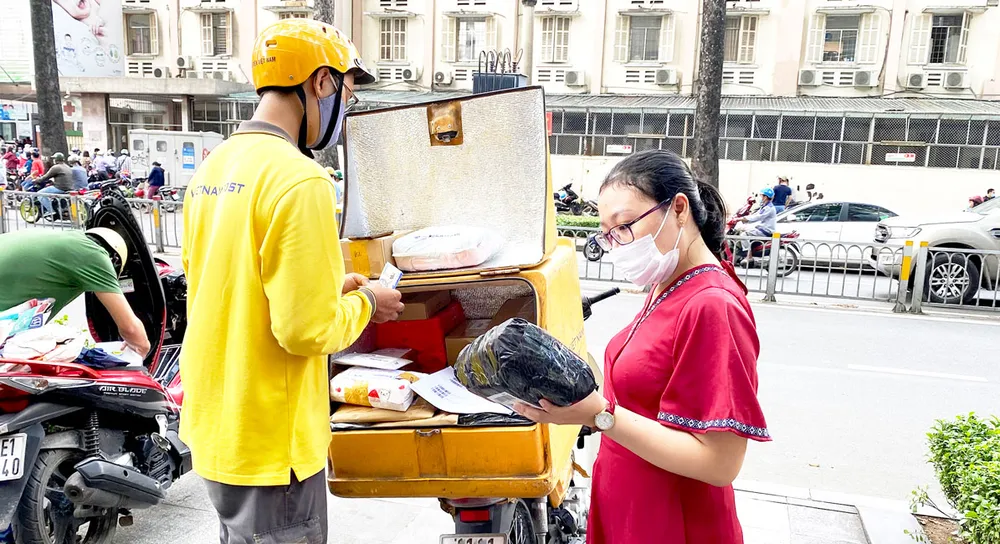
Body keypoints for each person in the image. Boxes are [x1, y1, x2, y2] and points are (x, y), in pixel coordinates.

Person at [179, 19, 403, 544]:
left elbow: (230, 285)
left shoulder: (213, 170)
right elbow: (306, 332)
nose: (345, 107)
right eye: (347, 91)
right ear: (321, 82)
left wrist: (329, 286)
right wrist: (368, 299)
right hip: (270, 440)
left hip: (219, 423)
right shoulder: (300, 179)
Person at [514, 149, 768, 544]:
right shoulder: (668, 283)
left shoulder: (712, 304)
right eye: (607, 232)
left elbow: (720, 463)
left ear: (678, 208)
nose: (616, 243)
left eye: (624, 225)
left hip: (673, 520)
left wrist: (600, 416)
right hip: (631, 503)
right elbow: (641, 389)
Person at [0, 228, 151, 357]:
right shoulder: (93, 255)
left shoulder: (65, 241)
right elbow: (130, 329)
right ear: (115, 260)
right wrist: (142, 352)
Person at [736, 187, 777, 266]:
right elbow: (756, 214)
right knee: (743, 230)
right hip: (761, 228)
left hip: (765, 230)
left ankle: (749, 257)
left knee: (744, 235)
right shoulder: (765, 206)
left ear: (766, 197)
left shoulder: (769, 208)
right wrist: (744, 217)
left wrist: (744, 219)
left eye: (761, 196)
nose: (760, 198)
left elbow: (758, 217)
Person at [33, 153, 75, 219]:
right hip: (70, 188)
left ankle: (51, 211)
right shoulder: (67, 167)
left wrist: (37, 180)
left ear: (56, 160)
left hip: (60, 188)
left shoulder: (56, 167)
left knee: (40, 194)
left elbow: (45, 177)